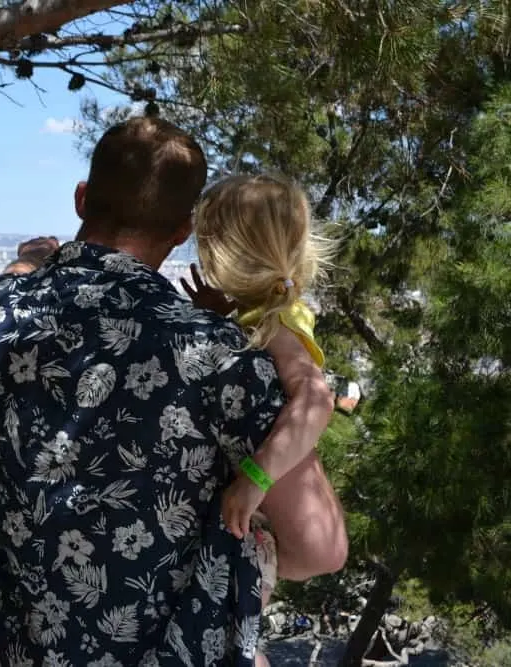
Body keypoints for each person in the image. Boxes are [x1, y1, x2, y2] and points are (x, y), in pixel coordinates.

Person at [0, 117, 347, 666]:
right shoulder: (223, 359)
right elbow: (319, 549)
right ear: (182, 230)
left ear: (81, 198)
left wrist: (30, 263)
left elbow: (11, 281)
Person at [180, 173, 338, 666]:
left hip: (269, 519)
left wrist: (255, 476)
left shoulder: (275, 323)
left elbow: (316, 401)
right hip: (278, 524)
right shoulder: (269, 312)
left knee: (238, 644)